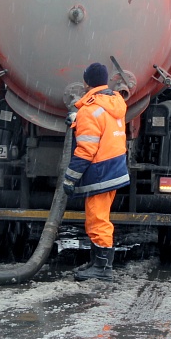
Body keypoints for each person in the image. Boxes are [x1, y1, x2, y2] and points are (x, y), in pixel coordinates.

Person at [63, 62, 129, 281]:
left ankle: (102, 269)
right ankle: (97, 262)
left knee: (97, 219)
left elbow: (86, 149)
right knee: (99, 217)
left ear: (86, 82)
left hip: (100, 171)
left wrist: (70, 178)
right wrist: (77, 119)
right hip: (114, 166)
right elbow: (102, 124)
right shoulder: (114, 102)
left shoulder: (90, 110)